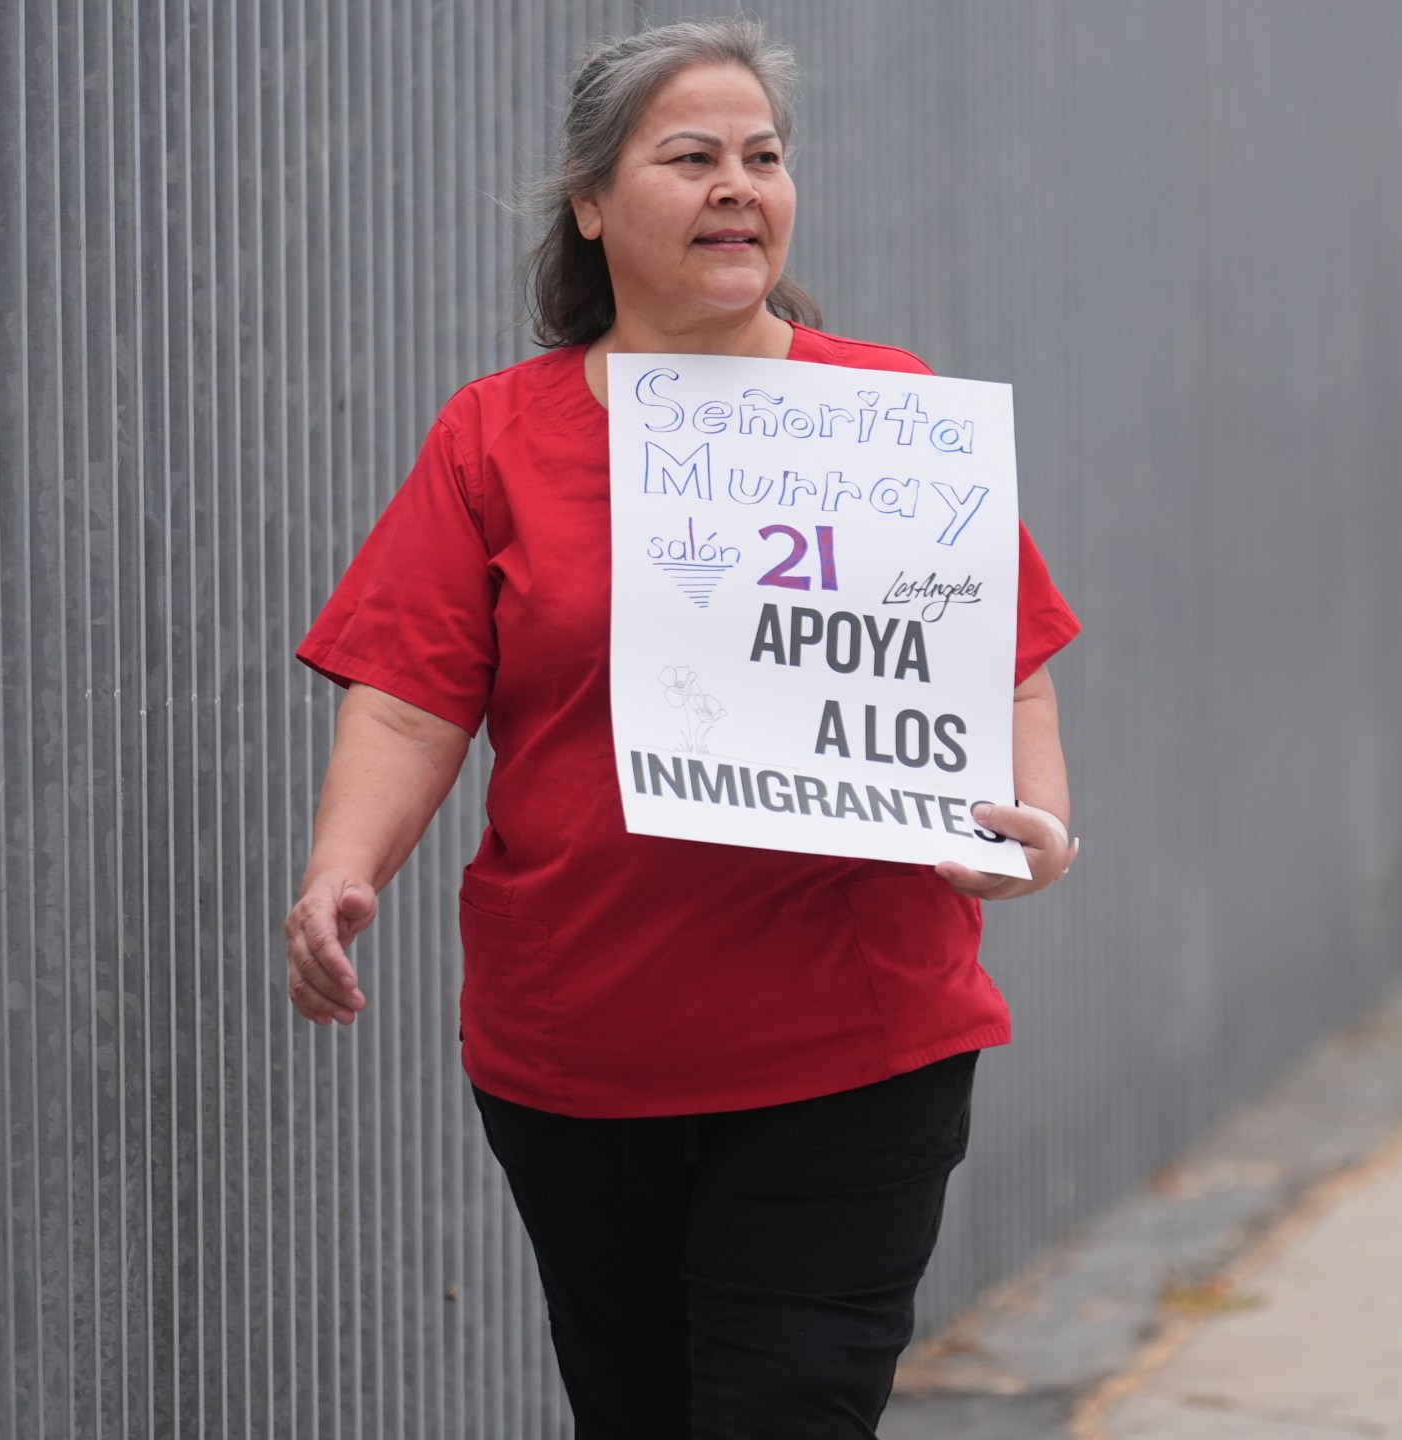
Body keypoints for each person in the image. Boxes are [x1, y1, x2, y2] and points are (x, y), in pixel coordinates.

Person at [281, 19, 1082, 1436]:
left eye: (762, 159)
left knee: (787, 1410)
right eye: (691, 156)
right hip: (581, 1051)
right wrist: (345, 869)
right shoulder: (494, 441)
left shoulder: (887, 424)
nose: (738, 186)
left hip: (856, 1039)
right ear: (591, 204)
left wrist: (1028, 832)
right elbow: (409, 697)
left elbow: (1003, 676)